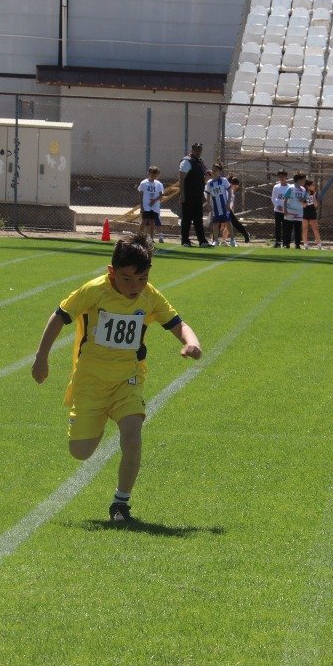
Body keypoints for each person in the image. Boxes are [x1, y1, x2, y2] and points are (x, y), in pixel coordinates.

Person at [31, 233, 202, 523]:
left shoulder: (150, 296)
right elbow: (59, 315)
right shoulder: (94, 291)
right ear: (112, 272)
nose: (134, 287)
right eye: (126, 279)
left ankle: (121, 504)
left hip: (128, 379)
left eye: (142, 279)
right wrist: (41, 357)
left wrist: (191, 342)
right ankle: (95, 420)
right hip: (91, 380)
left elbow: (177, 324)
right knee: (80, 452)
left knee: (133, 437)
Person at [177, 145, 210, 247]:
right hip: (188, 195)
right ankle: (185, 241)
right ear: (192, 150)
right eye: (196, 150)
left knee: (198, 219)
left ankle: (202, 241)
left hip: (197, 195)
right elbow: (181, 179)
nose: (198, 152)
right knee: (187, 218)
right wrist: (182, 194)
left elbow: (203, 178)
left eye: (200, 151)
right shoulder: (187, 161)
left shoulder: (199, 162)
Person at [205, 164, 232, 247]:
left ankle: (232, 240)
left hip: (224, 205)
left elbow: (229, 191)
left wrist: (228, 202)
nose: (213, 172)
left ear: (219, 171)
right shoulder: (209, 183)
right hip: (215, 207)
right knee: (215, 223)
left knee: (227, 222)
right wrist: (208, 204)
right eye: (212, 170)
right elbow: (208, 194)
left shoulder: (223, 180)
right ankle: (215, 240)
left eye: (215, 170)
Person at [137, 167, 165, 243]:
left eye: (155, 174)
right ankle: (139, 237)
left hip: (154, 206)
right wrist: (142, 206)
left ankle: (151, 238)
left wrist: (154, 200)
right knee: (144, 221)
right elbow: (141, 195)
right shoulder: (143, 183)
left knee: (152, 222)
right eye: (151, 174)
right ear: (148, 174)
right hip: (146, 206)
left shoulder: (158, 184)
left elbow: (160, 195)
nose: (153, 176)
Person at [282, 172, 307, 248]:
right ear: (299, 180)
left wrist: (303, 200)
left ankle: (297, 244)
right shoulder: (291, 188)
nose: (304, 182)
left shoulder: (303, 189)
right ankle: (287, 244)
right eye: (303, 180)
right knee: (288, 228)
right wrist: (285, 209)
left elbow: (305, 201)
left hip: (299, 211)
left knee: (298, 228)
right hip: (290, 210)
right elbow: (285, 199)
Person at [226, 176, 253, 243]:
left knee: (235, 223)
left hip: (227, 209)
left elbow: (231, 203)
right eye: (235, 187)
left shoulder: (231, 192)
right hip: (223, 208)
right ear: (231, 184)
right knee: (218, 223)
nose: (235, 189)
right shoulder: (227, 190)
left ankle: (245, 234)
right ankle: (216, 240)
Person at [270, 170, 291, 247]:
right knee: (278, 226)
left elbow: (290, 199)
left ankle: (286, 243)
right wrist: (277, 205)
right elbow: (273, 198)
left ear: (286, 177)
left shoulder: (290, 187)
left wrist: (286, 207)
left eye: (283, 176)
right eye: (280, 176)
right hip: (278, 210)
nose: (281, 178)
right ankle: (278, 242)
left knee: (286, 227)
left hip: (286, 210)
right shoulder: (276, 187)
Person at [303, 178, 322, 248]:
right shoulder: (304, 193)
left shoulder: (314, 193)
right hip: (304, 212)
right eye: (312, 185)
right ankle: (305, 244)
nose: (314, 186)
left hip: (312, 212)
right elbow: (304, 205)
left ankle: (319, 245)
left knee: (315, 228)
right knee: (305, 228)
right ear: (308, 186)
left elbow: (316, 204)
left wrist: (313, 194)